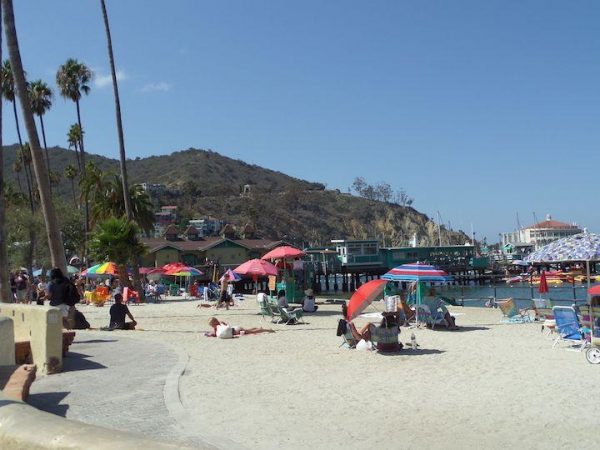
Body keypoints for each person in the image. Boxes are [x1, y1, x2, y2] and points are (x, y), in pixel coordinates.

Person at [205, 317, 274, 337]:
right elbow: (227, 326)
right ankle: (259, 328)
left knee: (251, 332)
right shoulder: (221, 322)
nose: (211, 326)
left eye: (211, 325)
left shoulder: (217, 326)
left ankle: (267, 330)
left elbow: (214, 334)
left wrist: (208, 334)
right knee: (248, 330)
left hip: (235, 331)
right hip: (235, 328)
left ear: (213, 324)